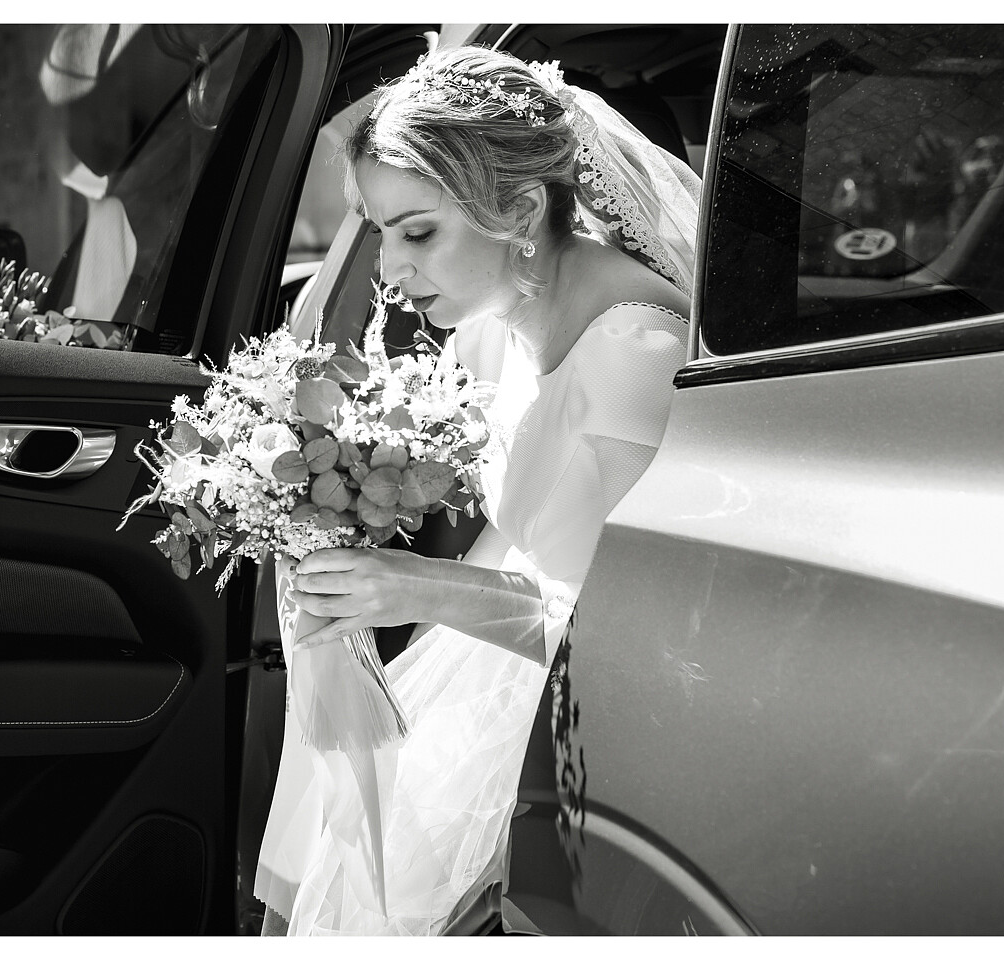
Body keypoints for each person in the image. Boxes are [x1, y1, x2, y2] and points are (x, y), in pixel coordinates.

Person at [253, 45, 699, 935]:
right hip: (473, 679)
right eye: (380, 231)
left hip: (578, 738)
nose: (388, 272)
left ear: (522, 209)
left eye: (417, 232)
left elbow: (645, 642)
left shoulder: (636, 359)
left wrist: (413, 588)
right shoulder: (489, 330)